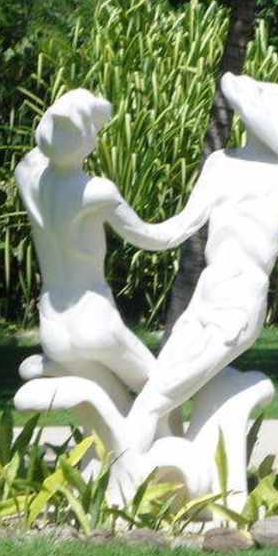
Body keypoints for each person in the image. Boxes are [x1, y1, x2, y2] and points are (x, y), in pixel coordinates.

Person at [124, 72, 278, 451]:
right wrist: (124, 222)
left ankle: (120, 476)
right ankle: (163, 470)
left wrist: (233, 84)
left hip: (241, 300)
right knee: (155, 391)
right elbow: (180, 227)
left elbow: (234, 89)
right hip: (208, 293)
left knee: (151, 401)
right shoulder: (221, 163)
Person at [14, 89, 202, 408]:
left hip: (54, 327)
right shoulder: (96, 192)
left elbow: (45, 146)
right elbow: (151, 237)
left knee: (118, 410)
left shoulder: (26, 175)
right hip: (93, 318)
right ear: (88, 141)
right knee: (160, 394)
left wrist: (66, 118)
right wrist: (198, 214)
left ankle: (51, 369)